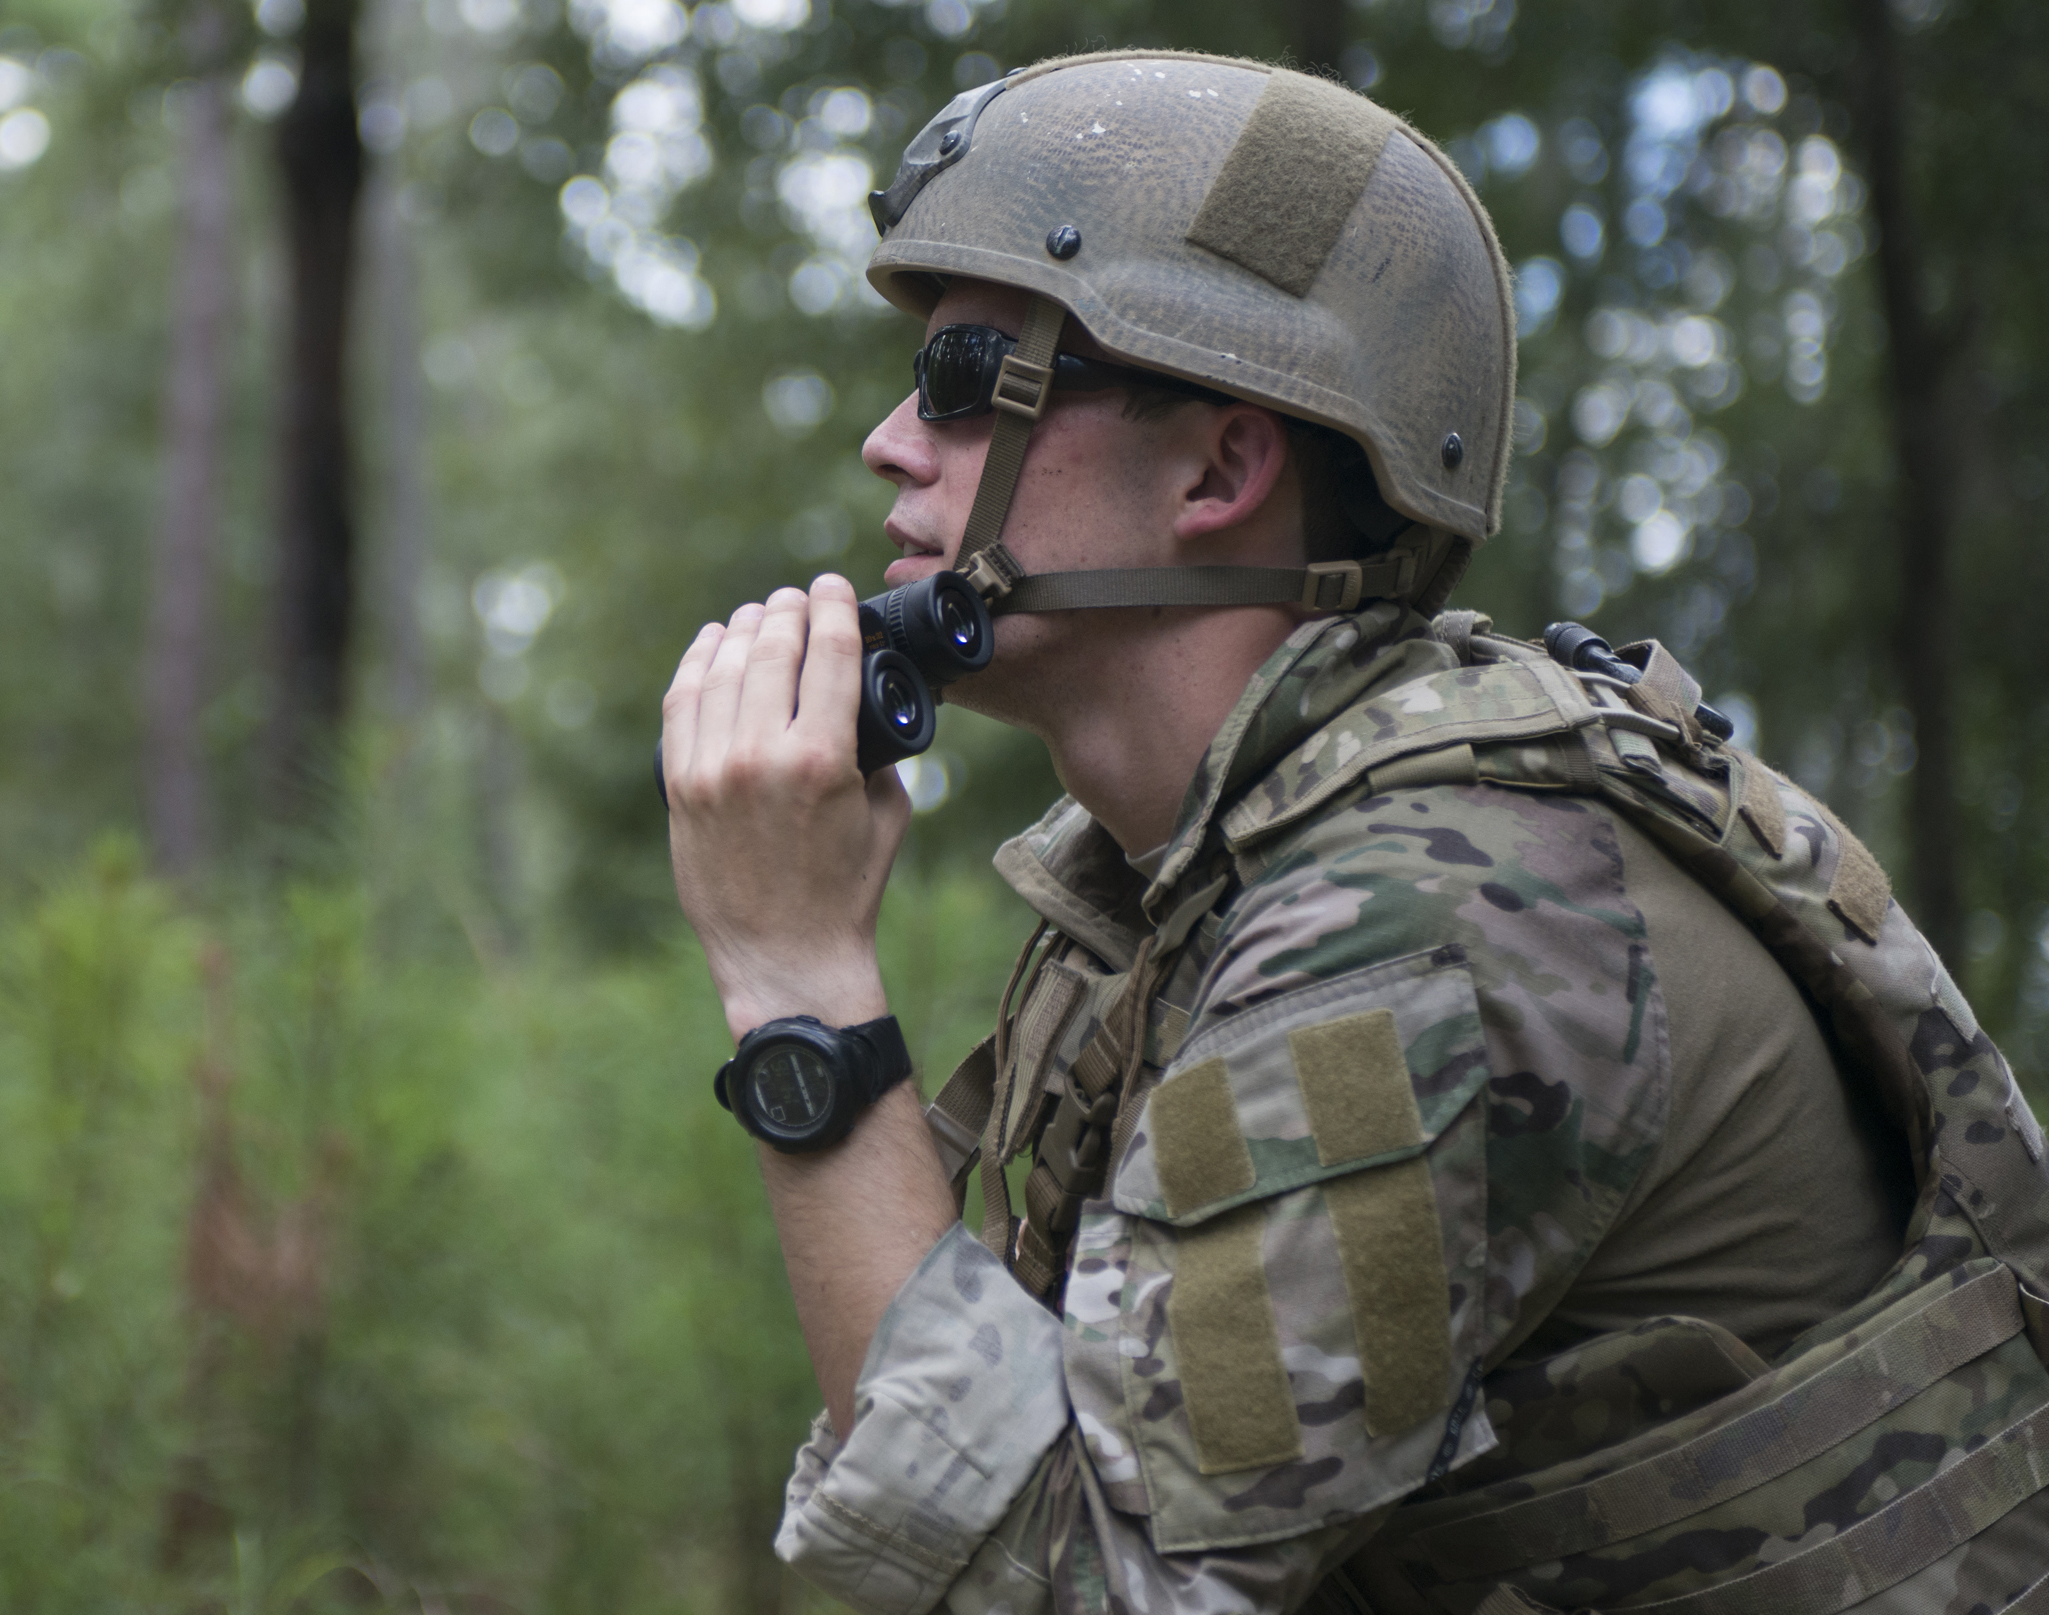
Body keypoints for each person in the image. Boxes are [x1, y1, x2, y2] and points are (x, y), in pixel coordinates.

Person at [658, 50, 2049, 1614]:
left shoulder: (1437, 911)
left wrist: (795, 984)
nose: (890, 442)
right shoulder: (1195, 872)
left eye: (971, 378)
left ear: (1220, 468)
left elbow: (1082, 1588)